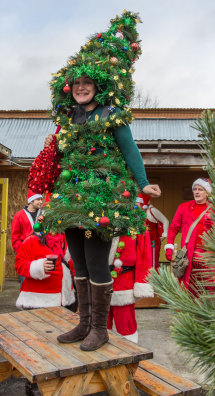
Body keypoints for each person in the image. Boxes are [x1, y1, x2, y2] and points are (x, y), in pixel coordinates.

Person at [36, 11, 161, 352]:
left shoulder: (111, 115)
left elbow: (130, 149)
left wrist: (142, 182)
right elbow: (58, 157)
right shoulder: (70, 120)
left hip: (102, 197)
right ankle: (84, 323)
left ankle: (100, 330)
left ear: (97, 87)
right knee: (76, 260)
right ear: (71, 88)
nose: (80, 88)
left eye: (86, 85)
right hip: (72, 196)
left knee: (94, 261)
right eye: (76, 85)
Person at [15, 231, 76, 396]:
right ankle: (34, 382)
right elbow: (19, 265)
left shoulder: (68, 239)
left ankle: (60, 380)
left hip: (66, 300)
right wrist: (39, 267)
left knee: (61, 345)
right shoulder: (32, 240)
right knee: (37, 346)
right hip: (38, 302)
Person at [164, 178, 215, 300]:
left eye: (200, 189)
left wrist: (213, 227)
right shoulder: (183, 207)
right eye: (195, 189)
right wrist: (169, 245)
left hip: (210, 259)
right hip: (189, 259)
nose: (197, 192)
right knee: (188, 291)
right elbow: (173, 228)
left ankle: (211, 316)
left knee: (212, 291)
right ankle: (190, 317)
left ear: (207, 193)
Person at [107, 232, 154, 343]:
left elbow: (144, 255)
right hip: (100, 277)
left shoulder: (136, 224)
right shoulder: (99, 219)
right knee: (100, 321)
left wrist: (141, 281)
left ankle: (129, 350)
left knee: (125, 322)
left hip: (124, 281)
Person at [137, 193, 169, 269]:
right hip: (143, 242)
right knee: (144, 263)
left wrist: (164, 235)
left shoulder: (152, 210)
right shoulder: (140, 212)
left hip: (153, 241)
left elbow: (165, 221)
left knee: (153, 263)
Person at [11, 189, 43, 253]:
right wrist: (22, 251)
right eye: (38, 200)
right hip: (26, 252)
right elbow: (15, 238)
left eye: (41, 199)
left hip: (42, 252)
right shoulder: (19, 216)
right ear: (31, 201)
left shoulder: (44, 214)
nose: (41, 202)